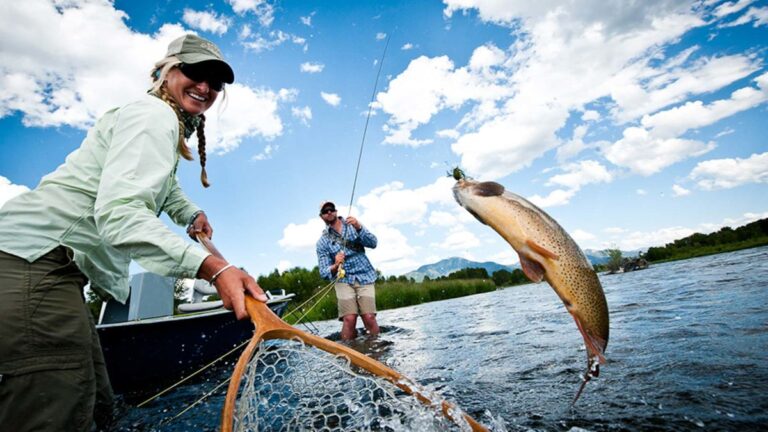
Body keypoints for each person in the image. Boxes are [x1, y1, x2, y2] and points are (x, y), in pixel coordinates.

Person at [0, 34, 267, 431]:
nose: (205, 87)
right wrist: (213, 267)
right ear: (165, 71)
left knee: (100, 408)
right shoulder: (154, 116)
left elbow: (160, 184)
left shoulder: (153, 116)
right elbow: (120, 213)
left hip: (44, 269)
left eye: (216, 81)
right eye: (194, 72)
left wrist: (189, 212)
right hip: (34, 266)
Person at [316, 201, 380, 340]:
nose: (329, 212)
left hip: (365, 276)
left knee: (369, 317)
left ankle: (378, 350)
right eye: (325, 211)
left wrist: (359, 227)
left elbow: (373, 243)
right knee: (350, 319)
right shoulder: (321, 243)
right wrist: (334, 265)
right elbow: (323, 272)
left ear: (336, 211)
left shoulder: (353, 225)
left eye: (331, 209)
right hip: (343, 279)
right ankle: (348, 355)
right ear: (321, 217)